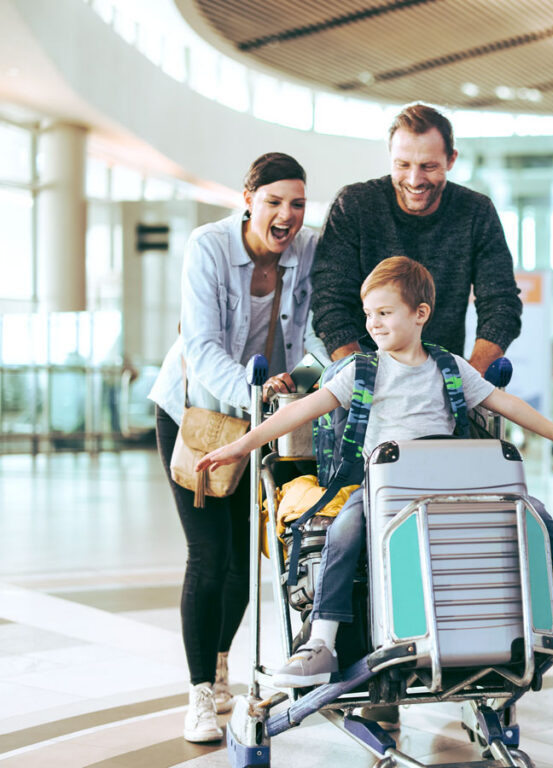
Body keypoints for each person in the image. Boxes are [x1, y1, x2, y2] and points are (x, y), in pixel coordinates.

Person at [197, 257, 553, 728]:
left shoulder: (449, 368)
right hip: (386, 484)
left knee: (533, 510)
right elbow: (303, 409)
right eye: (370, 314)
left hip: (448, 483)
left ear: (420, 314)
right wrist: (243, 444)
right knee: (344, 528)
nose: (373, 323)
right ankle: (321, 640)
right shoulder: (360, 371)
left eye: (385, 313)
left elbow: (502, 401)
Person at [148, 153, 323, 743]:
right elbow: (198, 345)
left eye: (296, 204)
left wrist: (300, 384)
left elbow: (317, 329)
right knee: (209, 554)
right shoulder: (210, 246)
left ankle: (222, 666)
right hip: (194, 413)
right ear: (248, 197)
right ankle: (199, 692)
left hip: (258, 423)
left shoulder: (308, 249)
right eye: (274, 201)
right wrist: (253, 393)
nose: (287, 215)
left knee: (245, 563)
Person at [310, 103, 522, 375]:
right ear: (390, 157)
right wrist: (363, 378)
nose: (414, 179)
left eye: (428, 166)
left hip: (444, 382)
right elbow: (330, 302)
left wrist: (469, 380)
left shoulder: (476, 212)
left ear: (451, 160)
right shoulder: (354, 205)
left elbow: (501, 303)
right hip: (361, 380)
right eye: (403, 165)